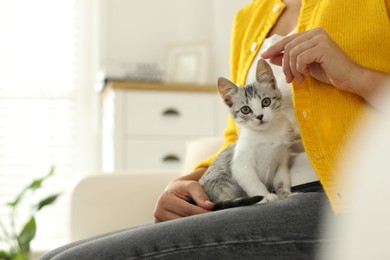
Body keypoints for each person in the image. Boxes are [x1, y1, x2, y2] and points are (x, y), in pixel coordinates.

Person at [42, 0, 390, 259]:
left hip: (349, 202)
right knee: (56, 255)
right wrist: (188, 183)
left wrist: (357, 77)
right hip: (255, 199)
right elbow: (236, 138)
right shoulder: (250, 17)